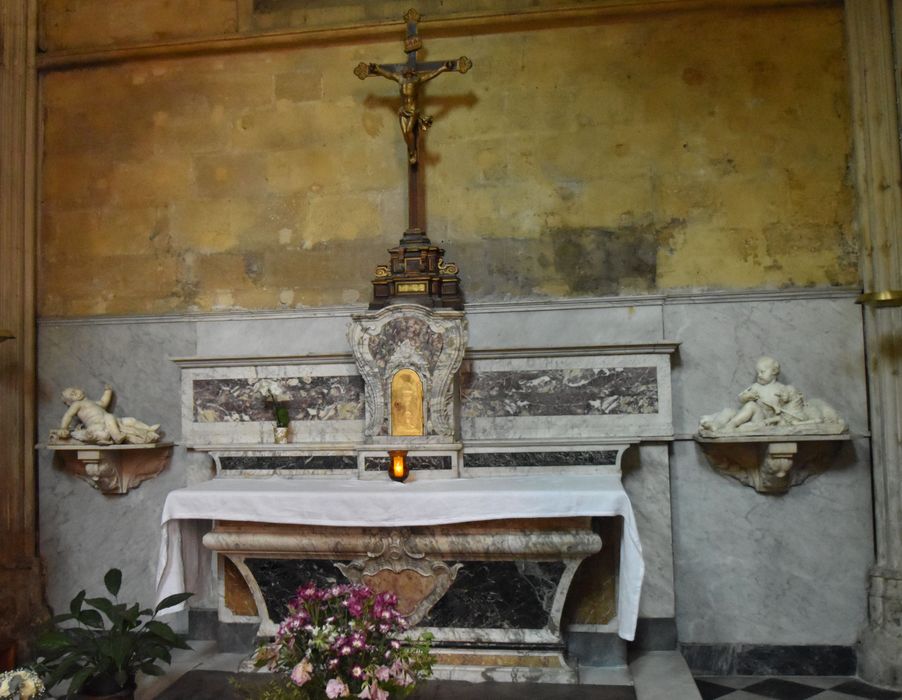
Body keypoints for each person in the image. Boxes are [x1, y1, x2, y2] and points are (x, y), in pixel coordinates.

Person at [355, 57, 472, 164]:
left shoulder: (417, 80)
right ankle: (412, 151)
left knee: (409, 132)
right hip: (402, 111)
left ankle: (412, 152)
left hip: (413, 110)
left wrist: (442, 68)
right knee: (405, 133)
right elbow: (389, 75)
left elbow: (431, 75)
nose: (407, 72)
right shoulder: (400, 80)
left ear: (412, 72)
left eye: (409, 71)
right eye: (405, 71)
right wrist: (377, 69)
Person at [53, 385, 160, 445]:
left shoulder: (93, 403)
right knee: (109, 416)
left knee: (130, 420)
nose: (75, 393)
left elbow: (103, 402)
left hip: (111, 421)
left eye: (74, 390)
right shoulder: (77, 404)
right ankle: (117, 436)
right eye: (72, 395)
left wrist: (107, 391)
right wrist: (63, 427)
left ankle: (148, 429)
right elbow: (68, 415)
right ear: (70, 402)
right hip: (97, 425)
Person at [725, 356, 794, 429]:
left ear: (774, 371)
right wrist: (747, 396)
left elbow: (789, 407)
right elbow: (741, 398)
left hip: (771, 421)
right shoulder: (756, 386)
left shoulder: (782, 388)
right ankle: (732, 424)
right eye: (757, 372)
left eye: (762, 372)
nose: (759, 375)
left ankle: (734, 424)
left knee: (751, 407)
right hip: (758, 418)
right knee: (751, 405)